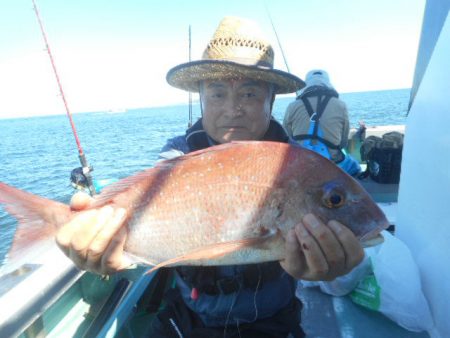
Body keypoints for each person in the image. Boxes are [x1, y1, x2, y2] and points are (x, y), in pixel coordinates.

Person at [56, 17, 364, 337]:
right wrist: (102, 243)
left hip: (272, 322)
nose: (233, 109)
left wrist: (335, 271)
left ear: (271, 100)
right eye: (217, 94)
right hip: (188, 318)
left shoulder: (299, 165)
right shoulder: (178, 154)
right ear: (201, 97)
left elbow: (345, 276)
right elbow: (153, 194)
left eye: (249, 93)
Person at [283, 69, 361, 176]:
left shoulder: (292, 106)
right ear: (328, 83)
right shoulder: (341, 105)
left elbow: (287, 139)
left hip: (302, 163)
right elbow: (343, 143)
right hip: (332, 163)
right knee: (354, 166)